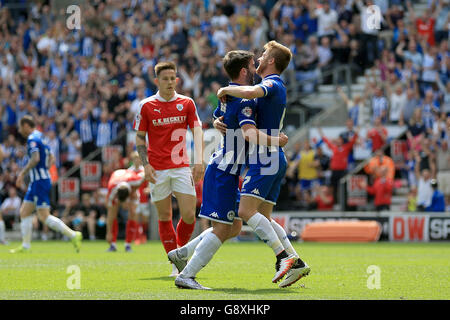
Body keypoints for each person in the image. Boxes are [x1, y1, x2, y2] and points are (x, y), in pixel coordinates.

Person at [169, 50, 290, 290]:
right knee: (224, 227)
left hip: (226, 170)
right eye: (252, 65)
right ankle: (186, 275)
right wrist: (278, 140)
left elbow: (219, 118)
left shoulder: (230, 96)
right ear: (244, 70)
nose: (256, 67)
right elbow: (248, 133)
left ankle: (182, 253)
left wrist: (218, 114)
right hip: (224, 170)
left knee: (233, 226)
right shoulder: (244, 100)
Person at [216, 41, 310, 287]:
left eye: (264, 54)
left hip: (265, 155)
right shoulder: (271, 85)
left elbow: (249, 93)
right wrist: (219, 121)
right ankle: (296, 261)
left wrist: (223, 90)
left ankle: (284, 258)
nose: (258, 57)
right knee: (265, 217)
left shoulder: (272, 83)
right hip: (273, 155)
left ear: (271, 61)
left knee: (245, 212)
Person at [134, 61, 204, 276]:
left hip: (182, 166)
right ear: (157, 81)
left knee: (190, 215)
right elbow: (139, 138)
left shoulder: (187, 103)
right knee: (165, 216)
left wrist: (199, 160)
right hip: (157, 169)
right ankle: (175, 263)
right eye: (165, 78)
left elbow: (197, 131)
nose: (170, 82)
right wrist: (145, 166)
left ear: (177, 79)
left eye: (173, 78)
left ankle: (180, 254)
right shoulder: (146, 105)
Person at [10, 115, 82, 253]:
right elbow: (52, 157)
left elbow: (35, 158)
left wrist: (22, 173)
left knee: (44, 216)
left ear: (26, 125)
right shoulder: (41, 136)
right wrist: (46, 169)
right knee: (24, 212)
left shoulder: (32, 138)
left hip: (39, 182)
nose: (19, 130)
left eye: (20, 127)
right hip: (39, 180)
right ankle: (25, 246)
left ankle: (73, 235)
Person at [105, 168, 145, 252]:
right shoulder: (112, 190)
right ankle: (113, 244)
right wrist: (108, 232)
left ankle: (128, 244)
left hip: (129, 182)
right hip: (117, 179)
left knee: (133, 213)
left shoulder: (136, 181)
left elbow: (146, 174)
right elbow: (110, 215)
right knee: (113, 213)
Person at [129, 151, 150, 245]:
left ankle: (143, 235)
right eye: (135, 159)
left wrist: (148, 189)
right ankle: (137, 237)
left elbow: (150, 183)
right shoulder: (130, 171)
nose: (137, 160)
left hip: (144, 198)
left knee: (145, 219)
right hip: (134, 199)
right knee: (136, 218)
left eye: (139, 158)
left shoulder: (144, 170)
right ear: (133, 160)